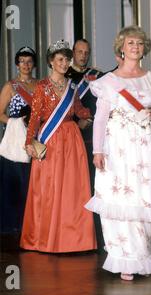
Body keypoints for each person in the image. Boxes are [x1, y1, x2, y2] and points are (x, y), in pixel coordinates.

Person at [85, 25, 151, 281]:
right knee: (120, 198)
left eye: (139, 43)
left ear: (144, 49)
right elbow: (99, 119)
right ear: (121, 47)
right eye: (130, 43)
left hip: (143, 145)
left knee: (144, 196)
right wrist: (97, 150)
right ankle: (123, 257)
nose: (135, 47)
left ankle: (141, 252)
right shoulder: (108, 82)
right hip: (117, 146)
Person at [20, 40, 97, 253]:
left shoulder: (72, 86)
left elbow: (80, 110)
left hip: (72, 140)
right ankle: (46, 239)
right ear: (51, 62)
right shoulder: (42, 87)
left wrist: (93, 116)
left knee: (73, 189)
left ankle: (73, 239)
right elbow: (35, 118)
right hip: (51, 141)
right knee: (50, 189)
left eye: (67, 59)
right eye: (61, 59)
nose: (65, 63)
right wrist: (29, 143)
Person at [65, 39, 105, 250]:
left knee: (93, 184)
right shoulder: (64, 75)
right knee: (75, 184)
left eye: (86, 52)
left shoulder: (96, 75)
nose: (83, 55)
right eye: (79, 52)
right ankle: (75, 229)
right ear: (73, 53)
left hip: (95, 138)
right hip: (72, 136)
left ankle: (95, 232)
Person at [0, 46, 37, 234]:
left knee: (32, 184)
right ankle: (12, 227)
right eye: (22, 61)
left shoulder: (40, 86)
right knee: (14, 183)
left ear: (34, 64)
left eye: (29, 61)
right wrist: (16, 123)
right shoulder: (11, 86)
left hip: (36, 141)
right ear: (17, 64)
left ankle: (31, 224)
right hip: (16, 142)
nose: (26, 65)